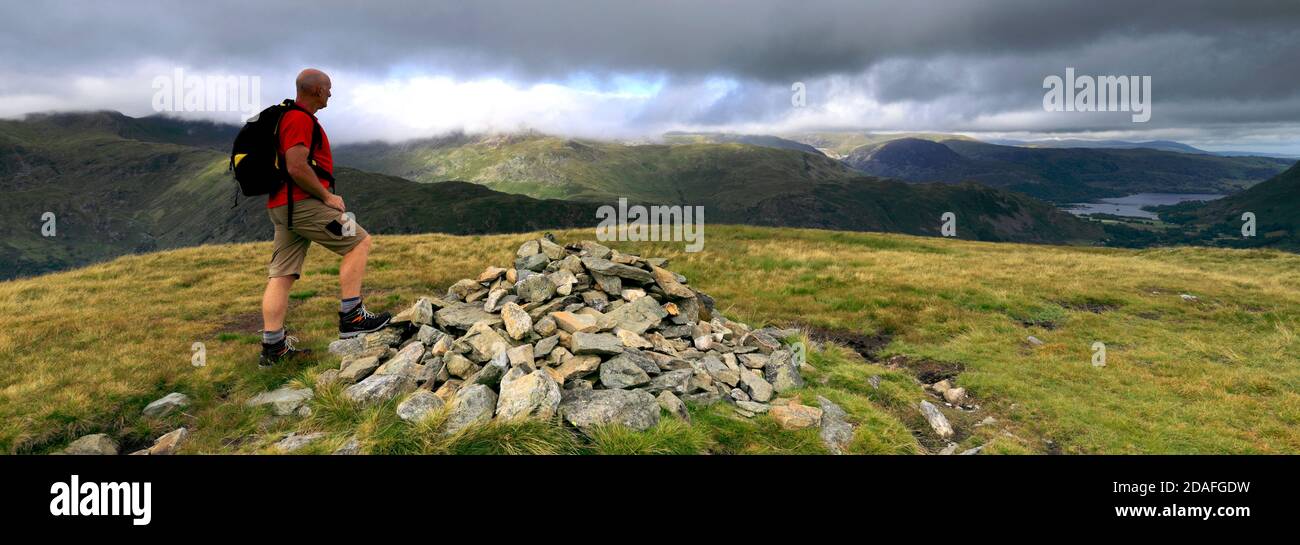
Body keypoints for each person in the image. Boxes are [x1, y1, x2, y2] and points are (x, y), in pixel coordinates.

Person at [259, 68, 390, 367]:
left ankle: (273, 347)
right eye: (328, 88)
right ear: (317, 90)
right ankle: (352, 317)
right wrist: (326, 196)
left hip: (284, 206)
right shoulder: (299, 119)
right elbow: (296, 165)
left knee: (281, 274)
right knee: (358, 242)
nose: (331, 93)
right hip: (303, 205)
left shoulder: (289, 117)